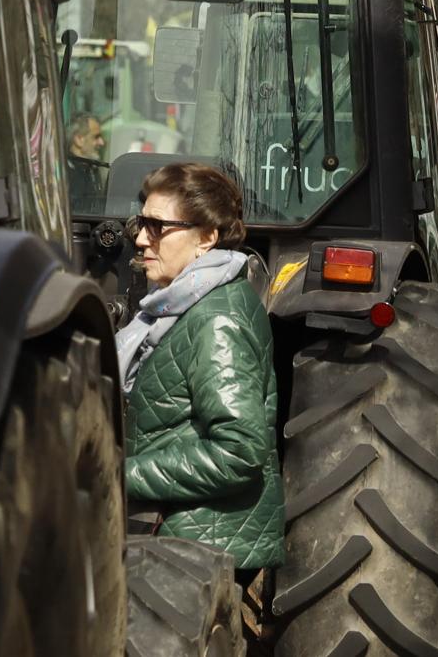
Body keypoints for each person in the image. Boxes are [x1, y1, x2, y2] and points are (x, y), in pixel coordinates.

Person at [114, 162, 284, 574]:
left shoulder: (216, 320)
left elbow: (239, 451)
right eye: (140, 223)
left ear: (206, 237)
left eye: (157, 227)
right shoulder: (169, 309)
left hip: (194, 555)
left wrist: (120, 475)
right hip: (169, 537)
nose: (140, 239)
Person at [66, 113, 108, 215]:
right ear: (79, 139)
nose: (102, 142)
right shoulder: (66, 174)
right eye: (96, 137)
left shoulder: (91, 169)